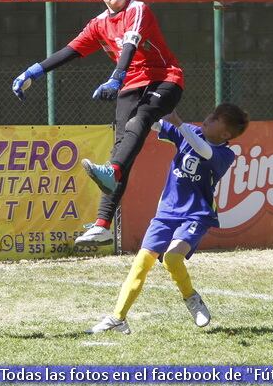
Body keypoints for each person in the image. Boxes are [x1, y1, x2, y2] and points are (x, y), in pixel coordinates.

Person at [12, 0, 184, 246]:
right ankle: (103, 225)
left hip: (164, 79)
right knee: (121, 152)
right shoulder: (99, 24)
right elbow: (70, 51)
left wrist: (116, 78)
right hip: (130, 85)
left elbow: (129, 46)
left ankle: (114, 171)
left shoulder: (138, 9)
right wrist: (33, 72)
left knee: (140, 120)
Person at [89, 104, 249, 334]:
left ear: (225, 134)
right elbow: (154, 124)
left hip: (196, 215)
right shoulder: (190, 132)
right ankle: (118, 318)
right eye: (211, 113)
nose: (208, 117)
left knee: (173, 259)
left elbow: (204, 151)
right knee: (141, 264)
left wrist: (180, 124)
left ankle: (192, 298)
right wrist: (142, 106)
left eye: (215, 119)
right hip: (166, 213)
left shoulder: (225, 154)